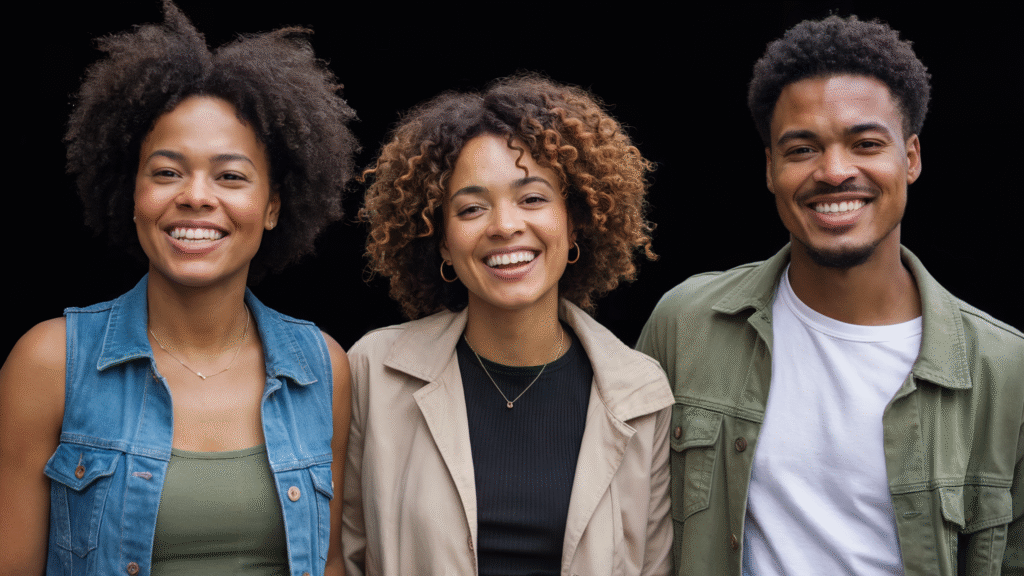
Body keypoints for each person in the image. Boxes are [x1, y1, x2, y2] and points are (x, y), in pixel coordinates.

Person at [637, 14, 1024, 576]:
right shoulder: (687, 323)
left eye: (866, 143)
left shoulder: (1005, 370)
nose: (835, 171)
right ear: (770, 168)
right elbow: (626, 528)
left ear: (911, 158)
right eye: (802, 149)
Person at [0, 2, 357, 574]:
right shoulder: (50, 362)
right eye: (167, 172)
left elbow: (330, 561)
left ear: (272, 207)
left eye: (230, 176)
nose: (195, 196)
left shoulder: (321, 367)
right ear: (132, 194)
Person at [344, 74, 673, 575]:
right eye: (471, 208)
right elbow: (341, 557)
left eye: (532, 199)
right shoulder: (374, 373)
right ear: (442, 241)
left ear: (574, 221)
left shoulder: (641, 394)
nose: (504, 226)